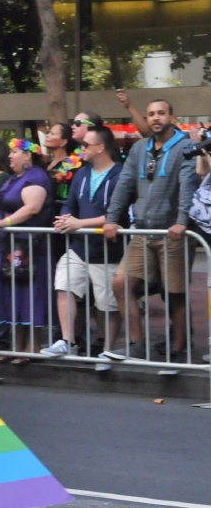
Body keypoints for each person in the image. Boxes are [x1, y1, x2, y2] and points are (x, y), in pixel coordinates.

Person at [103, 99, 198, 361]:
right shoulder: (139, 148)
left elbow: (188, 185)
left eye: (161, 113)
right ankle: (137, 343)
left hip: (173, 233)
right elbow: (124, 184)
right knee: (121, 284)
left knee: (174, 293)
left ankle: (179, 349)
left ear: (171, 116)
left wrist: (181, 221)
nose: (156, 118)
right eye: (151, 114)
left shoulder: (186, 146)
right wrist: (111, 218)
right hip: (142, 231)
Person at [42, 126, 124, 367]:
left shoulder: (120, 175)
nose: (81, 149)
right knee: (64, 284)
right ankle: (67, 341)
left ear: (101, 147)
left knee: (106, 302)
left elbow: (115, 214)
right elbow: (70, 203)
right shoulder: (82, 173)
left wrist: (78, 223)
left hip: (107, 249)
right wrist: (66, 217)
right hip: (79, 246)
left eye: (86, 145)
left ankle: (107, 351)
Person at [0, 138, 55, 361]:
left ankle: (31, 347)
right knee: (11, 295)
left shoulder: (36, 177)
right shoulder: (15, 178)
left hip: (28, 247)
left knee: (28, 294)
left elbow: (32, 208)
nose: (10, 155)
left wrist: (5, 223)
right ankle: (16, 345)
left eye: (15, 151)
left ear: (28, 155)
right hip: (8, 246)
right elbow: (7, 205)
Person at [44, 121, 82, 207]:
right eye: (48, 133)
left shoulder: (71, 166)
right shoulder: (45, 164)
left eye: (52, 134)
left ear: (63, 142)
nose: (47, 135)